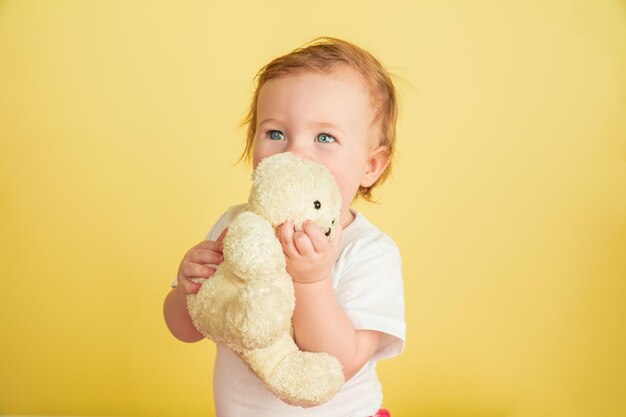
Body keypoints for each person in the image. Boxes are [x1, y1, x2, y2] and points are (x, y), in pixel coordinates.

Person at [163, 37, 406, 417]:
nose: (295, 153)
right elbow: (187, 329)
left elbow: (339, 365)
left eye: (325, 137)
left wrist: (311, 281)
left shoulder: (368, 252)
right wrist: (187, 288)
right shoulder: (235, 226)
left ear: (371, 166)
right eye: (275, 133)